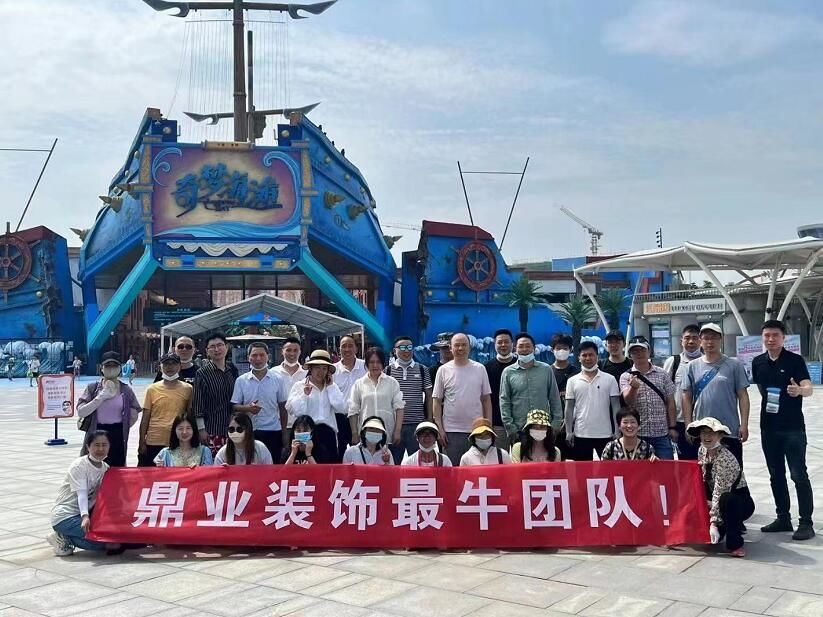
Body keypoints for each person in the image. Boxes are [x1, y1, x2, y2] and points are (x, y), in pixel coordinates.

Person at [752, 319, 815, 540]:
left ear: (783, 337)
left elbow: (808, 387)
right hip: (768, 428)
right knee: (775, 475)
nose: (771, 339)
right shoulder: (758, 362)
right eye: (767, 335)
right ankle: (783, 518)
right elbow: (762, 390)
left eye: (775, 335)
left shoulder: (795, 360)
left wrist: (799, 391)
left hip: (793, 428)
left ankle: (806, 523)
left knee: (799, 475)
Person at [682, 323, 750, 464]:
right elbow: (686, 397)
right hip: (702, 430)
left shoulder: (734, 364)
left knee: (732, 470)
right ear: (700, 341)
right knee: (704, 472)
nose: (710, 342)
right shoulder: (691, 367)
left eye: (714, 338)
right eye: (706, 338)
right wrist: (688, 424)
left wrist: (744, 424)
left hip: (728, 429)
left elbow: (743, 395)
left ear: (721, 340)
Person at [688, 417, 754, 557]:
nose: (707, 436)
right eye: (704, 432)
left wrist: (713, 523)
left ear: (719, 436)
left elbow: (720, 491)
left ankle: (735, 544)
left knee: (727, 500)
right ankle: (717, 528)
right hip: (714, 495)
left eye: (711, 433)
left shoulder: (724, 459)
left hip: (737, 500)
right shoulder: (702, 450)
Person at [48, 430, 114, 556]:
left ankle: (67, 535)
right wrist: (85, 516)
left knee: (111, 541)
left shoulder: (105, 468)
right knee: (100, 542)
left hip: (84, 515)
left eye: (104, 445)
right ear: (88, 447)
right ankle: (61, 537)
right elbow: (82, 494)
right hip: (66, 516)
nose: (100, 449)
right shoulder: (79, 466)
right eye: (96, 445)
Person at [432, 333, 493, 465]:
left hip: (478, 430)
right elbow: (436, 401)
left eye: (464, 345)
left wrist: (488, 426)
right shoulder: (443, 370)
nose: (460, 348)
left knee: (478, 469)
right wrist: (440, 429)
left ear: (469, 347)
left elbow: (486, 399)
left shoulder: (480, 369)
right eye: (457, 345)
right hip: (451, 431)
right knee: (452, 470)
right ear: (451, 348)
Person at [76, 352, 140, 467]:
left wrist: (125, 425)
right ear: (101, 368)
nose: (111, 369)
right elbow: (81, 412)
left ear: (119, 368)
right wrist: (100, 397)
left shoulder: (126, 390)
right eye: (107, 366)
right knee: (94, 466)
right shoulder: (93, 388)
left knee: (116, 466)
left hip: (117, 433)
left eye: (114, 366)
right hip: (97, 431)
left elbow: (135, 410)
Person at [620, 336, 678, 460]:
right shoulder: (625, 376)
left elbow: (670, 402)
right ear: (630, 355)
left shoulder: (662, 374)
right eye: (635, 351)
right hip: (638, 435)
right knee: (639, 470)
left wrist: (672, 427)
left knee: (665, 468)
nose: (639, 353)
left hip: (661, 433)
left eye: (642, 350)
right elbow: (628, 402)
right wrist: (633, 388)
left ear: (649, 351)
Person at [231, 342, 290, 464]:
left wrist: (284, 433)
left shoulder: (278, 379)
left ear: (268, 356)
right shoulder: (241, 380)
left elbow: (283, 408)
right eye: (254, 355)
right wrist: (248, 408)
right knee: (249, 466)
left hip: (273, 430)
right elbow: (234, 406)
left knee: (272, 466)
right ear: (248, 357)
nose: (258, 359)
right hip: (248, 431)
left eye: (262, 355)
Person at [500, 333, 563, 444]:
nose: (524, 349)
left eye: (528, 346)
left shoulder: (546, 369)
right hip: (519, 429)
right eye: (521, 346)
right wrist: (510, 427)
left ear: (534, 348)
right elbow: (504, 401)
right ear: (515, 349)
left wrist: (556, 424)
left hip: (543, 428)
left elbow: (554, 398)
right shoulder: (508, 372)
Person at [286, 349, 347, 463]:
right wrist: (304, 395)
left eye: (324, 368)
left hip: (328, 433)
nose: (321, 371)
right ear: (310, 368)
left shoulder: (332, 386)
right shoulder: (299, 386)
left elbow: (341, 408)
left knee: (330, 466)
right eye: (317, 367)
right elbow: (296, 411)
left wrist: (330, 387)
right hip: (307, 434)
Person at [565, 341, 621, 460]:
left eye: (591, 355)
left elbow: (616, 406)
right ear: (579, 358)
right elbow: (569, 408)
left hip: (605, 434)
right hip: (581, 434)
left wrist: (617, 430)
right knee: (582, 470)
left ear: (597, 356)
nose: (588, 358)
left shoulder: (610, 379)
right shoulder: (572, 381)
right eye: (584, 355)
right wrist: (569, 431)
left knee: (608, 469)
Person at [349, 347, 405, 463]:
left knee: (387, 467)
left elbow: (399, 407)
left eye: (378, 362)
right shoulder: (359, 384)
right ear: (366, 364)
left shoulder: (392, 382)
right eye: (371, 362)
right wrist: (354, 433)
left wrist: (397, 430)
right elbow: (353, 410)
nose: (375, 365)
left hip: (387, 433)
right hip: (366, 434)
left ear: (383, 363)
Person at [138, 352, 193, 467]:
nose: (170, 367)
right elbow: (145, 418)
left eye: (173, 363)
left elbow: (190, 416)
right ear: (160, 367)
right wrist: (142, 442)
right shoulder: (151, 389)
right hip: (154, 440)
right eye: (166, 364)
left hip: (177, 440)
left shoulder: (188, 389)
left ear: (180, 366)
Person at [387, 335, 432, 459]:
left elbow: (429, 396)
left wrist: (429, 419)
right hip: (395, 425)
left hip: (417, 425)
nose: (406, 350)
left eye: (409, 347)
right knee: (393, 462)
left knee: (418, 461)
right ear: (394, 350)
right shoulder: (388, 371)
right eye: (402, 347)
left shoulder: (423, 369)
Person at [193, 333, 237, 456]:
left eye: (220, 345)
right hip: (211, 430)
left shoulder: (232, 371)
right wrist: (201, 430)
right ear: (207, 351)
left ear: (226, 347)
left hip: (233, 430)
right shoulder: (202, 373)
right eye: (212, 347)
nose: (217, 349)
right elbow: (198, 404)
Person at [662, 324, 702, 459]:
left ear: (700, 341)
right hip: (680, 421)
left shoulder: (707, 362)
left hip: (703, 421)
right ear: (681, 341)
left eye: (695, 338)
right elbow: (665, 393)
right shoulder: (673, 362)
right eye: (687, 338)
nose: (691, 341)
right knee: (686, 461)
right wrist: (671, 426)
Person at [333, 335, 367, 460]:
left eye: (350, 346)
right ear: (339, 349)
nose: (347, 349)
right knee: (339, 453)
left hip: (361, 417)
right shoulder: (333, 370)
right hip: (339, 418)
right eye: (344, 346)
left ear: (356, 348)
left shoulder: (365, 367)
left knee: (361, 454)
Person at [484, 328, 517, 450]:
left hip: (519, 422)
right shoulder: (487, 368)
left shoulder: (520, 365)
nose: (503, 345)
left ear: (512, 344)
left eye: (506, 342)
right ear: (495, 344)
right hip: (497, 423)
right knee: (499, 457)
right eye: (500, 342)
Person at [273, 336, 308, 428]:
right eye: (288, 350)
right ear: (282, 351)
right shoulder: (272, 373)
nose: (292, 353)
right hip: (278, 424)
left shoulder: (307, 374)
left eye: (295, 350)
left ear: (300, 352)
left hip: (302, 425)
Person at [550, 333, 580, 404]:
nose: (562, 351)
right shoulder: (548, 371)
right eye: (558, 348)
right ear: (552, 350)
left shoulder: (577, 372)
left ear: (571, 350)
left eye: (565, 348)